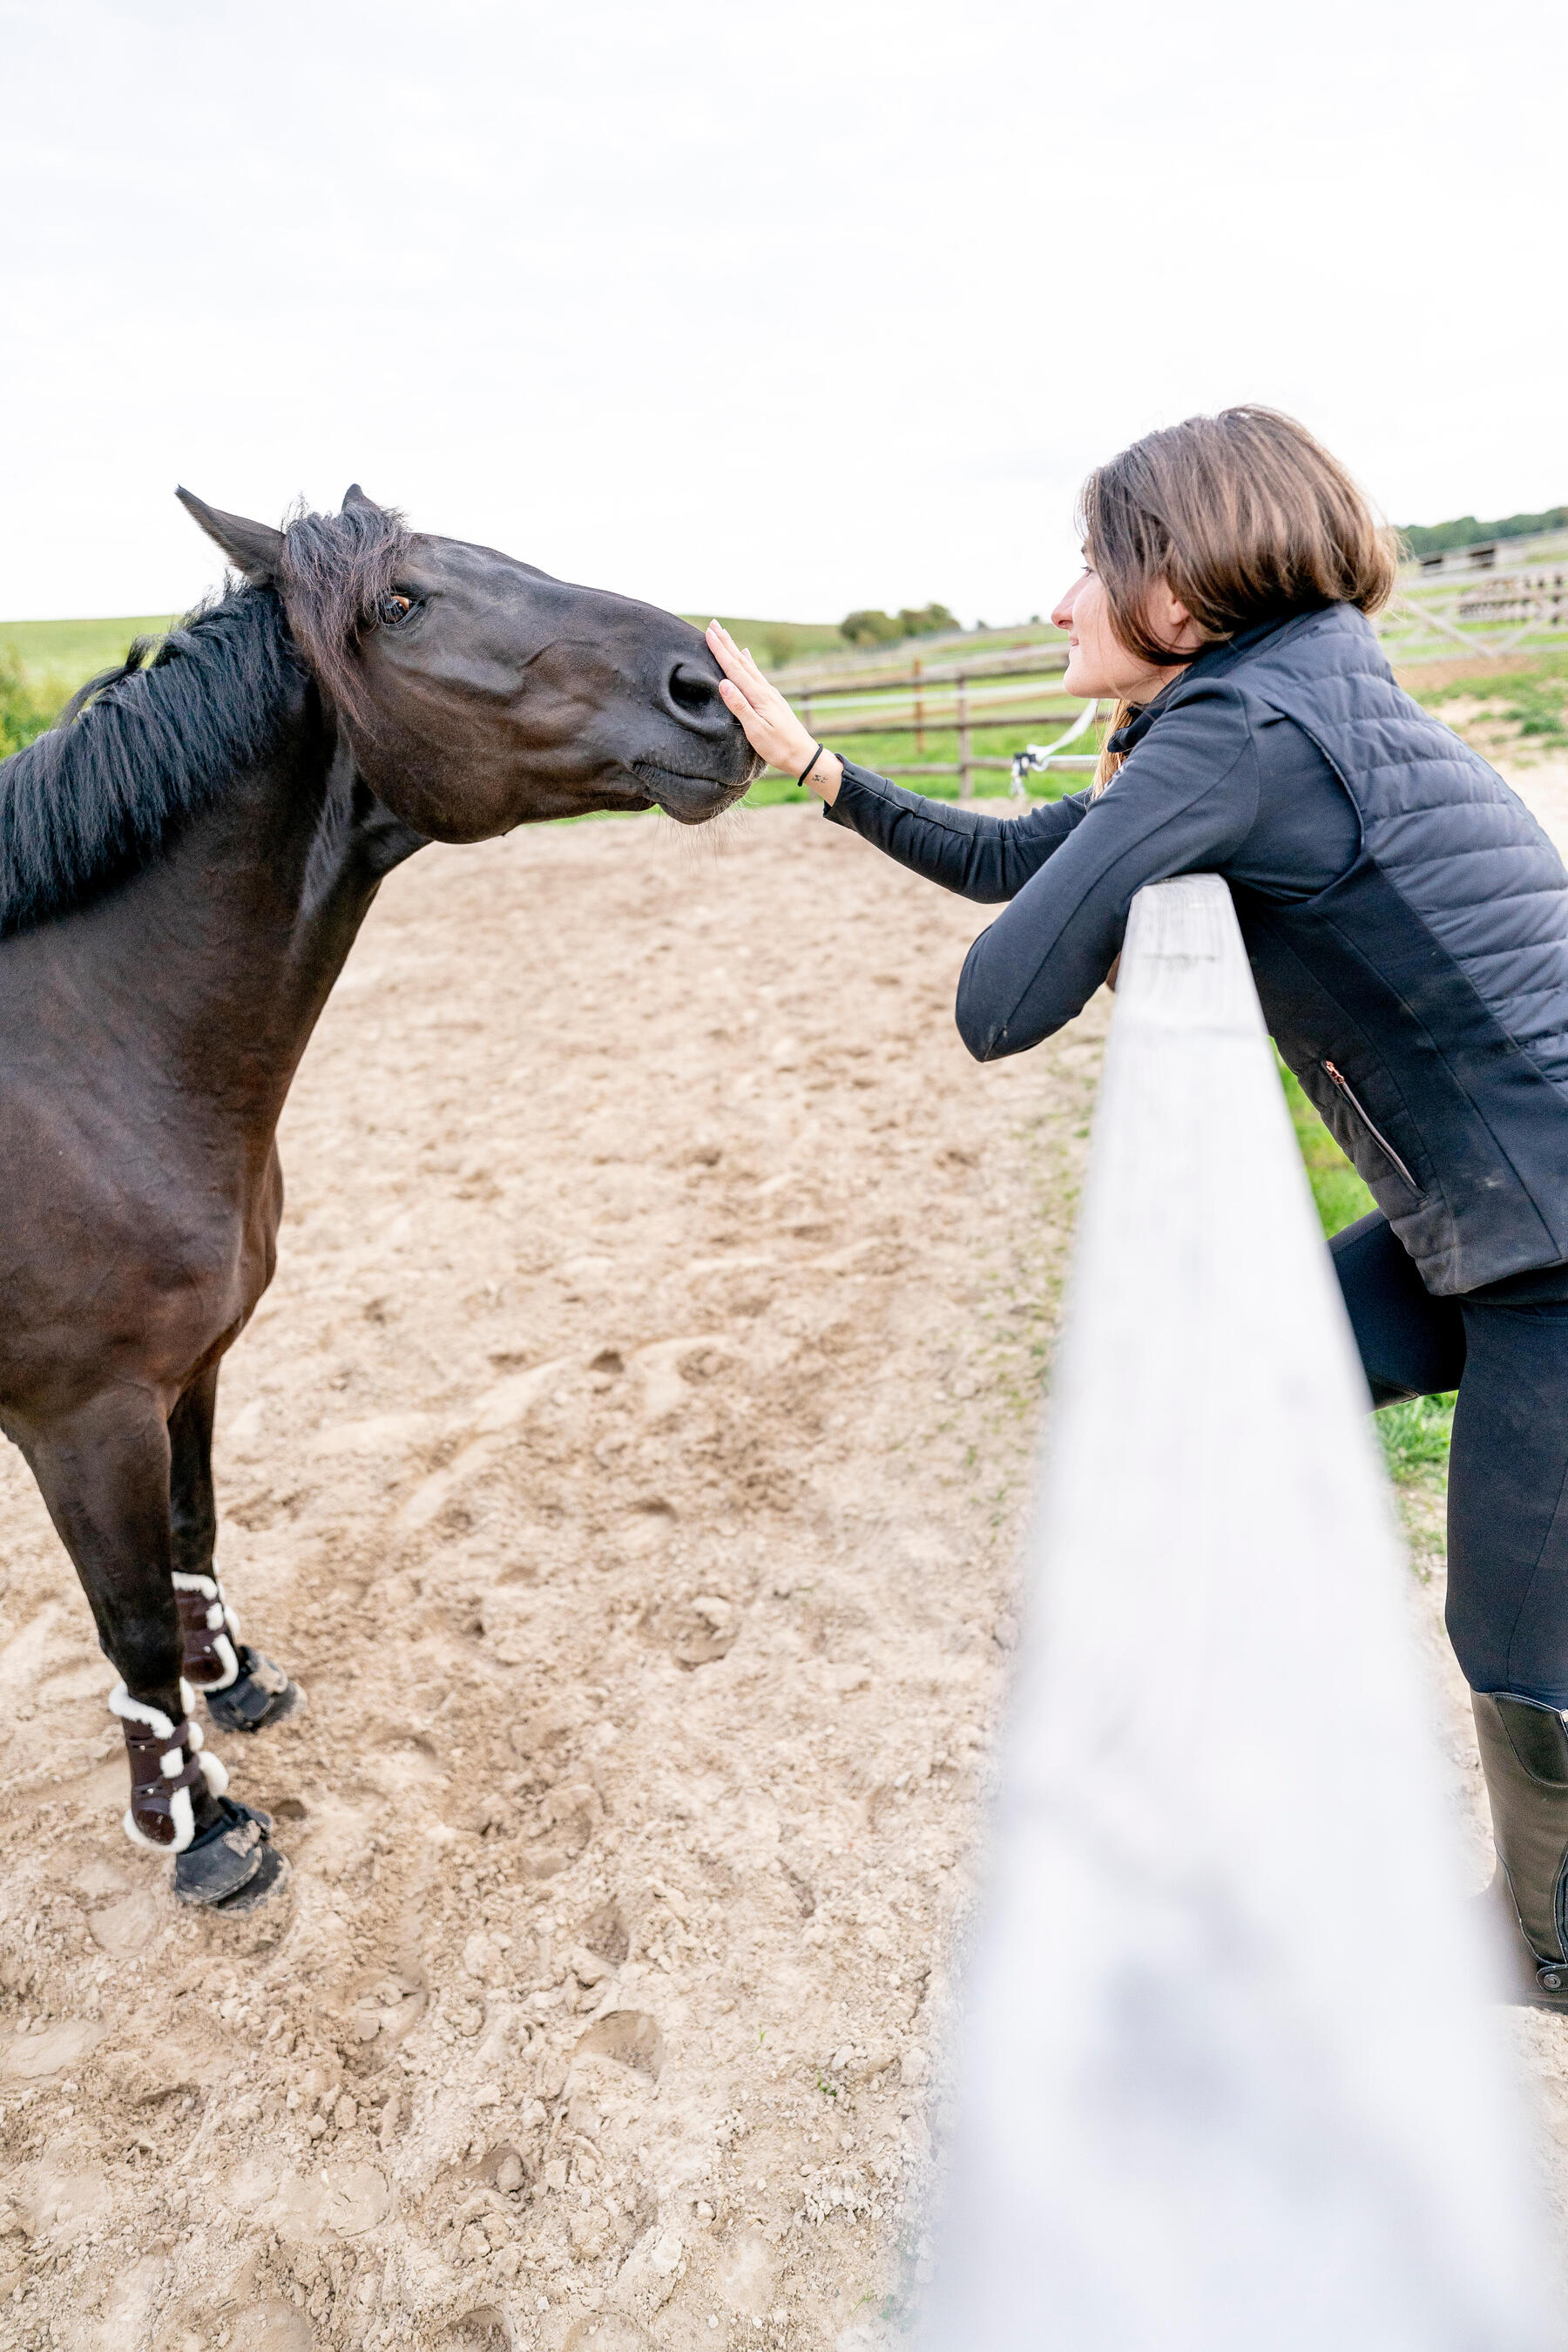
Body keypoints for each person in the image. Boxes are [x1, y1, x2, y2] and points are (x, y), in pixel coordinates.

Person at [706, 405, 1568, 2006]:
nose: (1058, 606)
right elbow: (1033, 860)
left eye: (1088, 566)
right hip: (1496, 1219)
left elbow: (1000, 994)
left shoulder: (1236, 736)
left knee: (1521, 1652)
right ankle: (1233, 1732)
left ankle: (1550, 1950)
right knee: (1232, 1363)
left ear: (1177, 589)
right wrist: (820, 772)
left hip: (1551, 1252)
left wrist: (1128, 820)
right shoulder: (1278, 697)